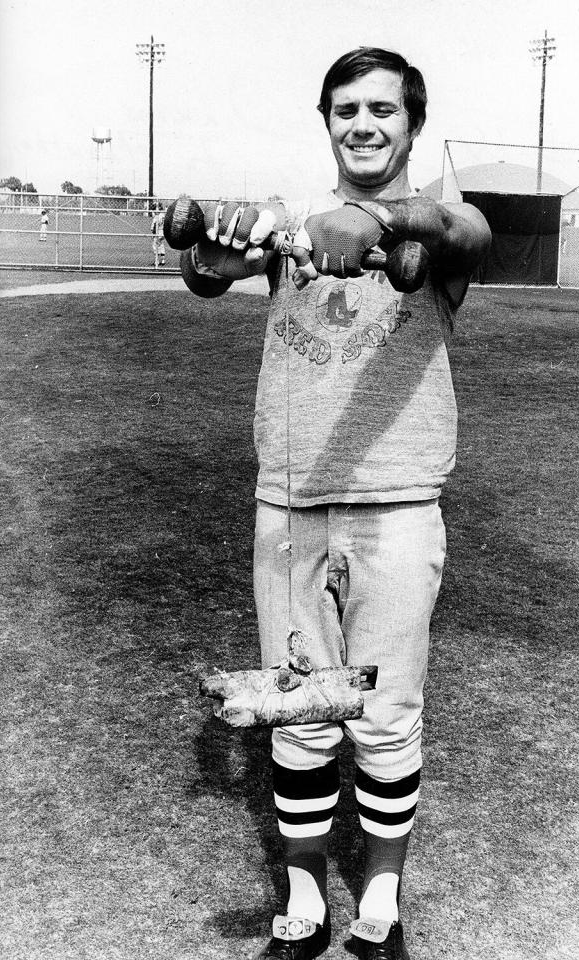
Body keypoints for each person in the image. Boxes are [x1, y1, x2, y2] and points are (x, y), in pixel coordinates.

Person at [183, 48, 490, 960]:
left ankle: (383, 900)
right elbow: (206, 275)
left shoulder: (438, 231)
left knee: (388, 714)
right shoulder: (296, 225)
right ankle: (308, 898)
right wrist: (214, 251)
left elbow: (465, 231)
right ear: (327, 122)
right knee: (298, 711)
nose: (364, 124)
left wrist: (377, 219)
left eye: (383, 110)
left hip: (397, 506)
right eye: (346, 109)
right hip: (289, 506)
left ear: (412, 124)